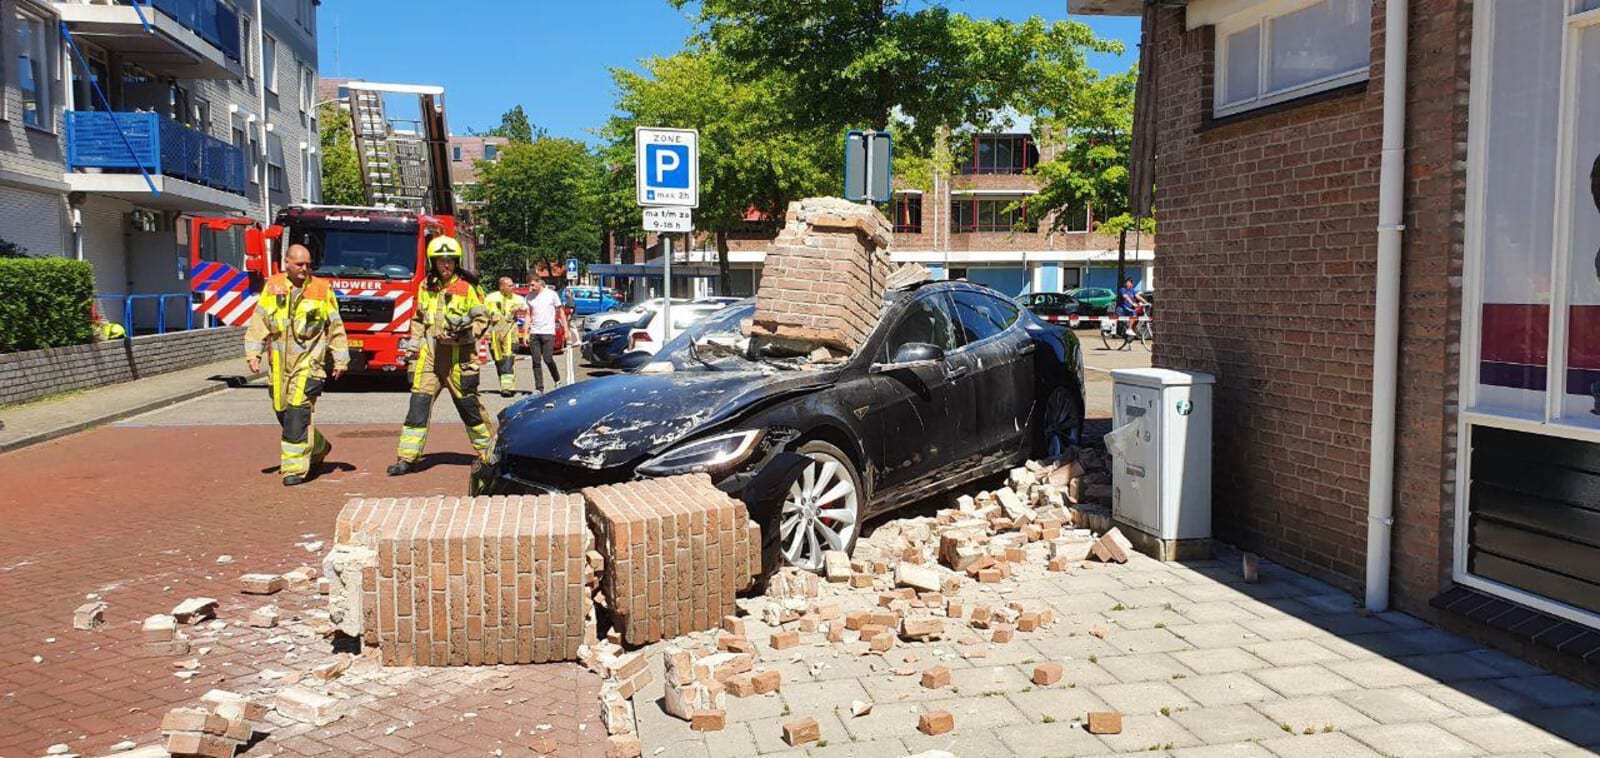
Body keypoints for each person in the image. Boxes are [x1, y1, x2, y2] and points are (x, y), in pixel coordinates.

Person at [244, 244, 348, 486]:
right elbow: (259, 321)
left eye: (308, 265)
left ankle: (294, 469)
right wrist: (253, 354)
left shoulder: (321, 289)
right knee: (283, 411)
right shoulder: (273, 286)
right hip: (280, 364)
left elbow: (335, 327)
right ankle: (319, 447)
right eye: (299, 264)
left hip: (309, 363)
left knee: (298, 413)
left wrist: (341, 359)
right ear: (287, 263)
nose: (304, 269)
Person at [386, 235, 491, 476]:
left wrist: (462, 336)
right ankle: (407, 458)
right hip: (431, 358)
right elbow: (419, 320)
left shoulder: (468, 287)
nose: (446, 266)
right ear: (433, 262)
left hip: (460, 359)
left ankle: (489, 454)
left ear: (457, 262)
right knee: (417, 407)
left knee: (470, 408)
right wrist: (413, 348)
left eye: (450, 261)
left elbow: (483, 319)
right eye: (441, 261)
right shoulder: (426, 286)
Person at [524, 278, 571, 395]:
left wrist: (566, 330)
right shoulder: (529, 297)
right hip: (535, 332)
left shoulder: (551, 295)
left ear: (540, 283)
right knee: (536, 361)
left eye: (533, 284)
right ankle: (539, 388)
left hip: (548, 332)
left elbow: (561, 313)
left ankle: (557, 380)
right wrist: (525, 332)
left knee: (548, 359)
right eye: (530, 285)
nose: (531, 287)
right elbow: (528, 315)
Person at [483, 276, 523, 396]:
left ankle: (508, 387)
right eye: (509, 285)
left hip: (511, 332)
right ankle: (503, 384)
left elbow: (526, 310)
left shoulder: (518, 299)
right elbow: (485, 316)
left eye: (512, 285)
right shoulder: (490, 298)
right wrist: (484, 331)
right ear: (502, 286)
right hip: (495, 332)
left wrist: (518, 310)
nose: (513, 287)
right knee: (499, 360)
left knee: (508, 358)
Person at [1116, 277, 1148, 350]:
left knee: (1134, 320)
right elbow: (1126, 297)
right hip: (1122, 309)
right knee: (1133, 314)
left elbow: (1138, 296)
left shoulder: (1132, 290)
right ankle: (1129, 329)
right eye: (1126, 282)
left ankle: (1129, 343)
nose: (1126, 283)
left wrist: (1146, 303)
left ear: (1131, 283)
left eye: (1128, 282)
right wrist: (1133, 303)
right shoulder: (1122, 289)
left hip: (1128, 309)